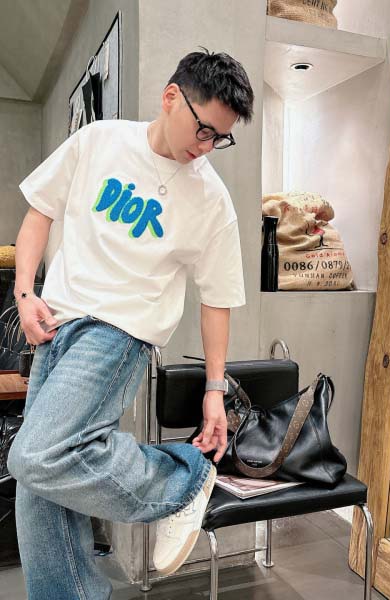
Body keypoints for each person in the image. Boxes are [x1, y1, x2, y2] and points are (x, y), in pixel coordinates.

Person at [7, 47, 254, 599]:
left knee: (34, 456)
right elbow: (40, 212)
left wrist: (215, 389)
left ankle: (181, 478)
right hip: (57, 326)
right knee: (38, 484)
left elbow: (217, 299)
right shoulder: (99, 141)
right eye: (204, 129)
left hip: (117, 333)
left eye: (220, 138)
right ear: (171, 97)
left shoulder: (211, 199)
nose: (206, 146)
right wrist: (25, 293)